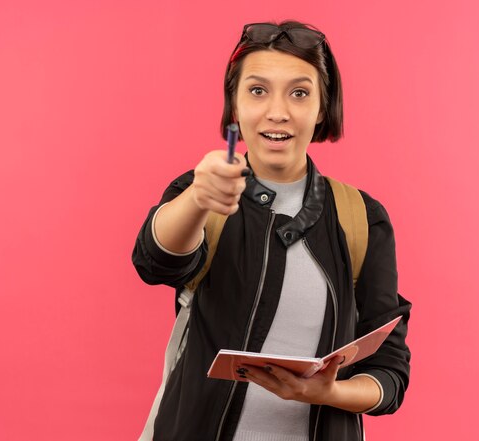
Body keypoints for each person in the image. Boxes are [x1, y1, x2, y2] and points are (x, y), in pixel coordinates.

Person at [133, 20, 411, 441]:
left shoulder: (362, 218)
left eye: (299, 93)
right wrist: (197, 198)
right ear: (234, 105)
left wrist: (331, 391)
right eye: (257, 90)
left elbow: (389, 371)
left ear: (321, 108)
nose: (277, 112)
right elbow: (156, 263)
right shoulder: (200, 193)